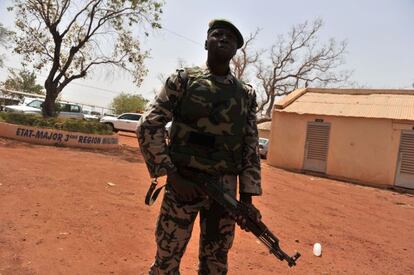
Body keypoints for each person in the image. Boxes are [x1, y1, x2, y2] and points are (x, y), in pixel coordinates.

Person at [137, 19, 262, 275]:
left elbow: (249, 147)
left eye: (231, 37)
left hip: (224, 193)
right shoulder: (182, 80)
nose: (224, 39)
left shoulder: (245, 95)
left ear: (236, 50)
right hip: (183, 184)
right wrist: (171, 174)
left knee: (215, 265)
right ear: (206, 42)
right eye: (217, 34)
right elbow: (149, 123)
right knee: (166, 260)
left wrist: (246, 200)